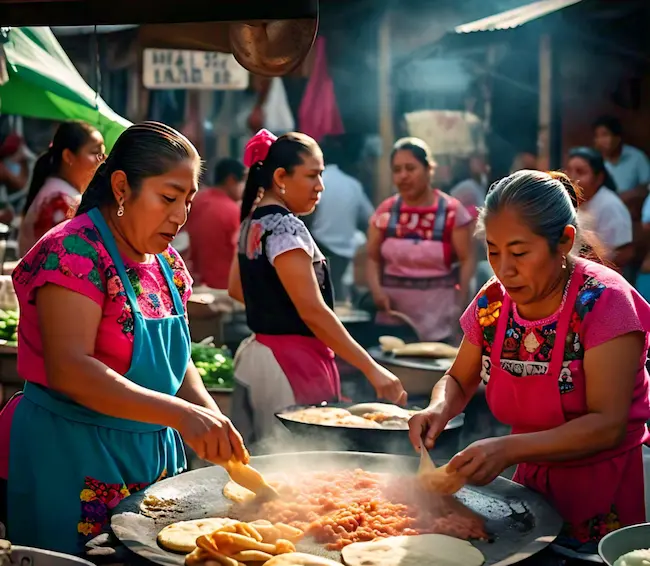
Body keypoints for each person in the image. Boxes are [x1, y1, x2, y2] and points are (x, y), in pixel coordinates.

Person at [0, 122, 247, 554]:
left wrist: (207, 414)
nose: (180, 215)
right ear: (121, 187)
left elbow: (177, 356)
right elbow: (70, 367)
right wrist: (181, 414)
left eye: (187, 201)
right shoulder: (74, 251)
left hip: (151, 457)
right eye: (168, 197)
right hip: (71, 454)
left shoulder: (166, 263)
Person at [409, 170, 650, 554]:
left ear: (564, 242)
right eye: (493, 250)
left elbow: (607, 425)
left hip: (603, 494)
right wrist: (438, 408)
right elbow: (458, 378)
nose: (504, 269)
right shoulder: (494, 301)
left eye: (519, 252)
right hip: (530, 490)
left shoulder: (605, 302)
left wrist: (507, 449)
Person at [228, 129, 406, 446]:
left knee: (262, 461)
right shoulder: (286, 226)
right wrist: (372, 368)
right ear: (281, 176)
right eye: (312, 175)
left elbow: (237, 290)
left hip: (256, 358)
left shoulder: (251, 223)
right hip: (290, 365)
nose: (320, 186)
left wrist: (274, 302)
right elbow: (313, 311)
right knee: (297, 468)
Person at [366, 137, 475, 344]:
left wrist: (460, 309)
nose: (403, 176)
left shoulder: (452, 211)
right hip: (393, 317)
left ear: (428, 169)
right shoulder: (386, 210)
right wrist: (377, 292)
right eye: (397, 170)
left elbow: (467, 260)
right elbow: (372, 258)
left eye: (410, 168)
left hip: (438, 318)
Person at [19, 121, 105, 256]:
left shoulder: (58, 192)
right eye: (95, 152)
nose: (102, 159)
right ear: (68, 156)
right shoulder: (61, 200)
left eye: (103, 152)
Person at [309, 135, 374, 301]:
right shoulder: (353, 185)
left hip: (318, 252)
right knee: (341, 304)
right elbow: (371, 220)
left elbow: (307, 217)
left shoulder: (316, 183)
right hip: (347, 256)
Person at [179, 158, 247, 289]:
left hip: (194, 284)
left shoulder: (196, 201)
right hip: (224, 288)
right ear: (231, 180)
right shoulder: (233, 211)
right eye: (243, 181)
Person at [566, 147, 633, 270]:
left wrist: (600, 267)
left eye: (580, 172)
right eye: (569, 171)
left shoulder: (610, 205)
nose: (572, 177)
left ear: (599, 178)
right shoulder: (571, 200)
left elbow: (625, 251)